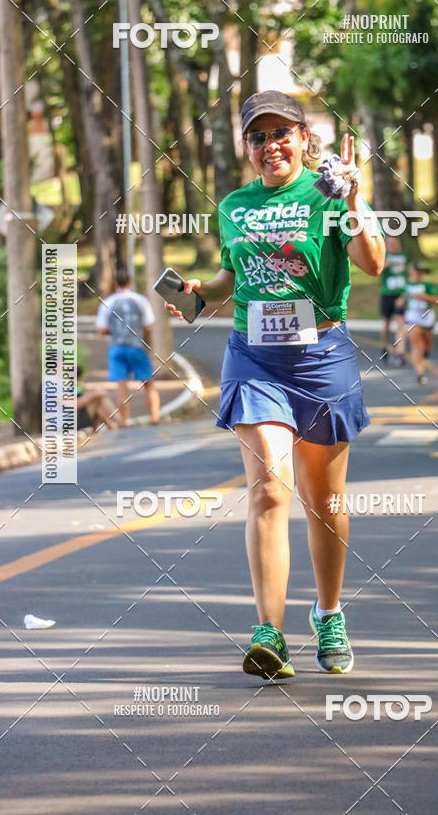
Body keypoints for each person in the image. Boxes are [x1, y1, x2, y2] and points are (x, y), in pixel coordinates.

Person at [166, 90, 385, 679]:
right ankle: (269, 632)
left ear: (304, 139)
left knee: (325, 503)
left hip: (321, 358)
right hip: (254, 356)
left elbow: (373, 263)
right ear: (247, 148)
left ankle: (330, 613)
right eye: (257, 137)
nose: (271, 147)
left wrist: (356, 202)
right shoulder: (236, 205)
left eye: (281, 134)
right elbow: (230, 277)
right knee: (268, 486)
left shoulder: (329, 191)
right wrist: (198, 294)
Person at [95, 268, 160, 426]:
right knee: (148, 383)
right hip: (136, 346)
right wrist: (148, 346)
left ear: (115, 283)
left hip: (117, 348)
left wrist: (117, 330)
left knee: (122, 387)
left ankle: (124, 421)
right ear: (130, 282)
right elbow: (148, 326)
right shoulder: (140, 300)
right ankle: (154, 418)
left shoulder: (108, 302)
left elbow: (101, 329)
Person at [398, 262, 438, 384]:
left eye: (420, 272)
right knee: (417, 345)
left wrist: (424, 297)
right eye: (415, 271)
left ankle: (426, 354)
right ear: (411, 272)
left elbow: (437, 300)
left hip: (426, 319)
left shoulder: (427, 286)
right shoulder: (406, 286)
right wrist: (400, 301)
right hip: (412, 318)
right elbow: (401, 299)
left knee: (427, 345)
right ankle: (420, 373)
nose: (417, 274)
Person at [378, 235, 408, 366]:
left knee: (400, 324)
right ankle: (384, 347)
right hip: (386, 295)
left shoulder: (403, 258)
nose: (392, 245)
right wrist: (385, 265)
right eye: (389, 243)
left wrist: (404, 295)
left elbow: (409, 277)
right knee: (386, 324)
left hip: (400, 295)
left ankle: (400, 354)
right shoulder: (382, 257)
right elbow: (376, 271)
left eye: (394, 243)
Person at [76, 365, 122, 431]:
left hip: (80, 415)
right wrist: (94, 395)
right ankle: (117, 422)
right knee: (98, 398)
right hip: (74, 419)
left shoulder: (78, 386)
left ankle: (114, 424)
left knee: (99, 401)